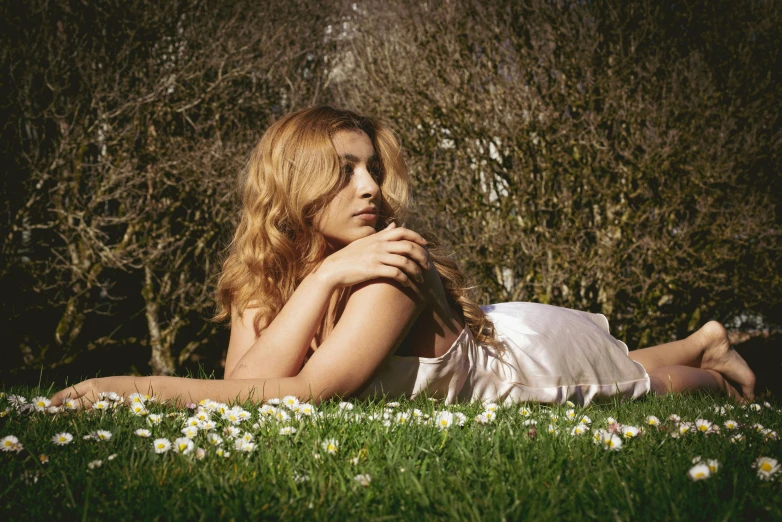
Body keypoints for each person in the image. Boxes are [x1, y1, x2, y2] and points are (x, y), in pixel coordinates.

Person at [50, 106, 756, 408]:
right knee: (634, 364)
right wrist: (322, 278)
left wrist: (134, 386)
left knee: (632, 386)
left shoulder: (388, 268)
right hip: (494, 333)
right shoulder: (264, 272)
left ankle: (716, 372)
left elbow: (300, 396)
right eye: (345, 170)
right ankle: (704, 338)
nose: (370, 187)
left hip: (528, 360)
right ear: (294, 187)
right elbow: (246, 383)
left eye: (372, 169)